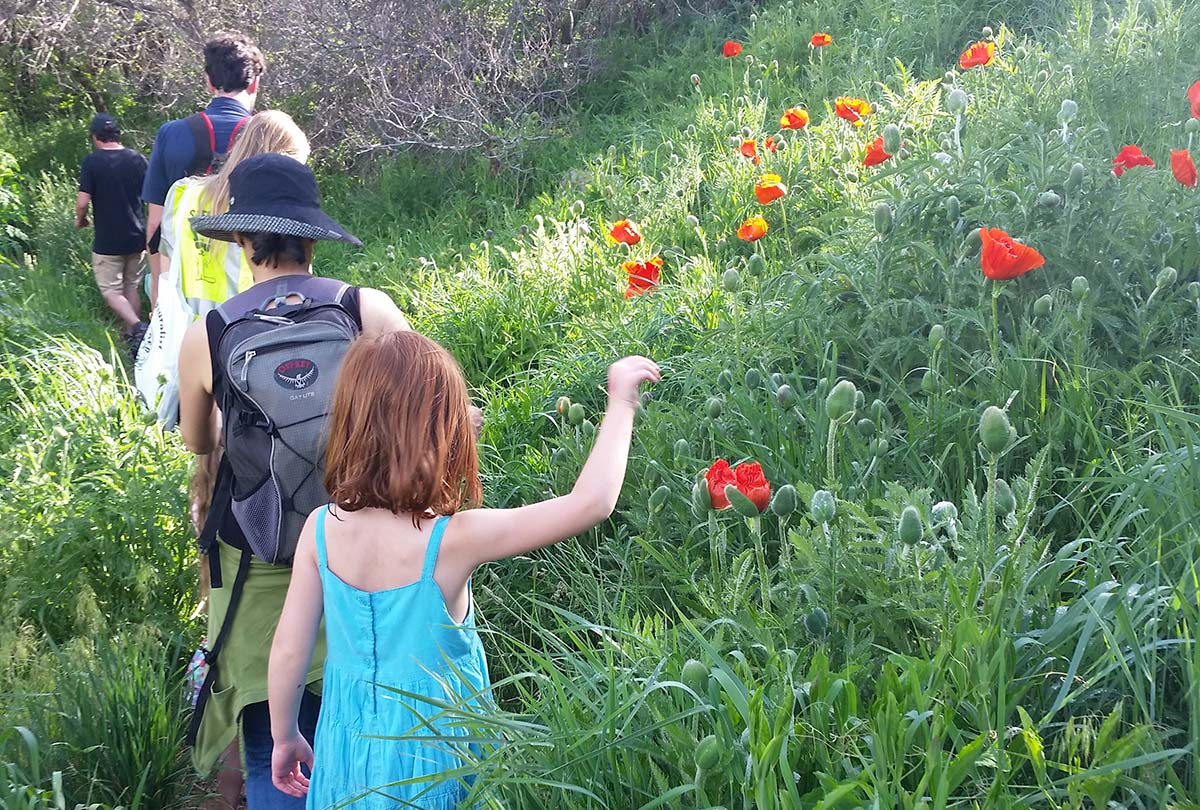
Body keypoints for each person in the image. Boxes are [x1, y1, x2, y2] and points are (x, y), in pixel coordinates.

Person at [266, 331, 659, 808]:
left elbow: (289, 650)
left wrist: (284, 736)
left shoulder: (321, 529)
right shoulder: (451, 541)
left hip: (346, 750)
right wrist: (621, 402)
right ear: (439, 431)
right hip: (436, 759)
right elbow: (591, 503)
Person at [177, 153, 412, 810]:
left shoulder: (210, 334)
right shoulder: (370, 311)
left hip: (256, 559)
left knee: (271, 748)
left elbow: (200, 443)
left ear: (245, 242)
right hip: (362, 549)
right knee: (365, 730)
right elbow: (429, 421)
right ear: (312, 238)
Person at [143, 32, 264, 308]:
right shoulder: (267, 138)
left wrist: (157, 302)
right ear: (254, 83)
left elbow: (155, 224)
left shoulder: (170, 134)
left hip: (186, 290)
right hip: (249, 292)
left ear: (209, 83)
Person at [75, 112, 149, 356]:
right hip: (137, 236)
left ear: (95, 137)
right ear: (118, 134)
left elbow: (82, 201)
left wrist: (81, 219)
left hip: (108, 240)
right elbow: (152, 195)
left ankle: (138, 327)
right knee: (131, 287)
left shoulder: (92, 162)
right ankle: (132, 339)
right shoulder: (138, 160)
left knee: (110, 292)